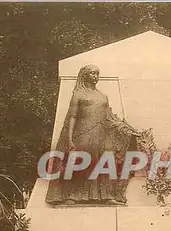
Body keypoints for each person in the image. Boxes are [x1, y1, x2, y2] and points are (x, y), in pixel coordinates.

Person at [45, 64, 140, 206]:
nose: (96, 76)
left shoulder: (103, 96)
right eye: (92, 73)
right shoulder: (78, 94)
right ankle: (74, 195)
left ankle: (106, 195)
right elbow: (72, 116)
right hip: (83, 133)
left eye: (97, 73)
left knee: (105, 162)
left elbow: (110, 117)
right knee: (82, 163)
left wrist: (127, 129)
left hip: (102, 134)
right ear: (85, 75)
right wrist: (70, 138)